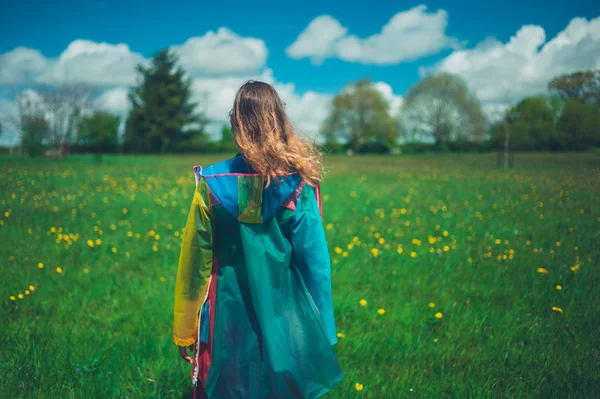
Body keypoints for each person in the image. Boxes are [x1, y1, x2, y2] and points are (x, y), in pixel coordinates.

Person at [172, 80, 343, 399]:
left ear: (236, 122)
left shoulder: (210, 183)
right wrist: (322, 330)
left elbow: (195, 264)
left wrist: (185, 330)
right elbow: (315, 264)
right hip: (285, 310)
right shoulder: (300, 186)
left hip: (225, 314)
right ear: (279, 120)